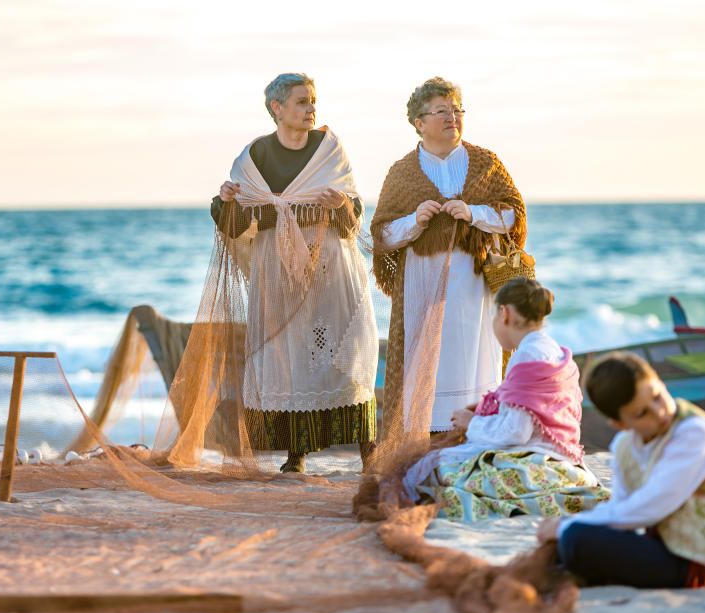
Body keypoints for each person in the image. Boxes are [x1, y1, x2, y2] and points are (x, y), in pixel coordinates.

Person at [209, 73, 377, 473]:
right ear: (277, 108)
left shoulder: (330, 150)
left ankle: (368, 449)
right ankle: (295, 454)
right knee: (287, 353)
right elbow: (234, 227)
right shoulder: (254, 158)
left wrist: (339, 205)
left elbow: (354, 217)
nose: (311, 109)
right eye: (302, 102)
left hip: (331, 265)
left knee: (346, 347)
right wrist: (226, 200)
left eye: (313, 100)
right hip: (277, 269)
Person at [372, 76, 526, 435]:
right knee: (423, 363)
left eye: (456, 109)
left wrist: (474, 213)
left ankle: (476, 430)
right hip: (421, 285)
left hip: (473, 284)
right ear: (419, 123)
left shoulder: (485, 162)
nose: (452, 117)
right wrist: (414, 220)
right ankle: (426, 438)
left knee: (476, 360)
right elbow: (381, 234)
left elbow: (514, 216)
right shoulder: (402, 172)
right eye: (442, 111)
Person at [401, 278, 609, 521]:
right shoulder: (553, 349)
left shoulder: (526, 355)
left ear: (505, 313)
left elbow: (516, 433)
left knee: (432, 470)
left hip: (534, 457)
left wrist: (471, 422)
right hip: (563, 454)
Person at [537, 352, 705, 588]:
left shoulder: (694, 432)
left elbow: (651, 508)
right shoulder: (624, 447)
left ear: (659, 380)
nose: (659, 413)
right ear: (620, 424)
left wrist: (567, 528)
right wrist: (572, 524)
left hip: (695, 562)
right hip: (658, 547)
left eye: (657, 396)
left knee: (575, 539)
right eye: (641, 413)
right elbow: (621, 508)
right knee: (573, 536)